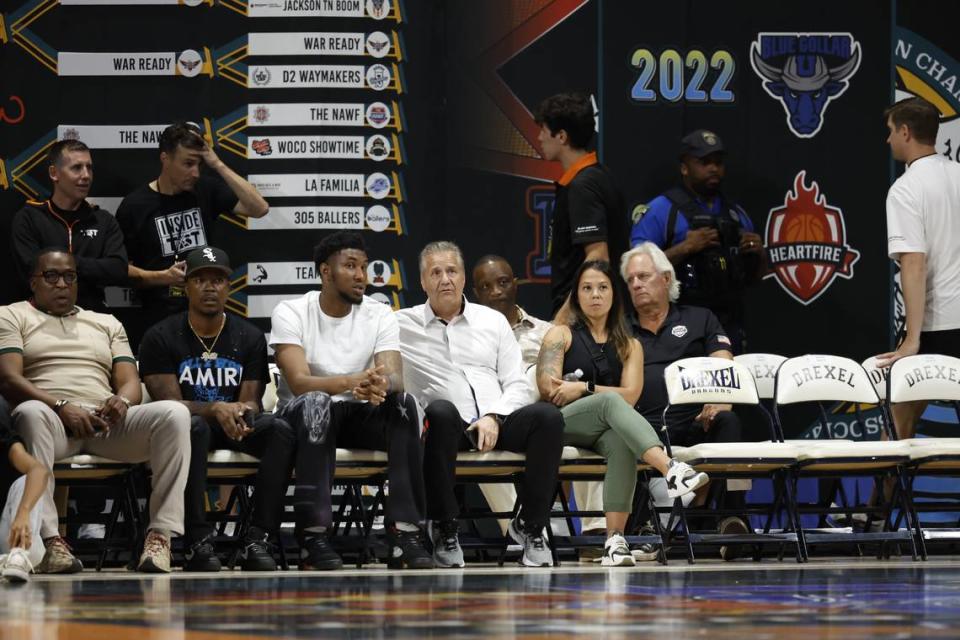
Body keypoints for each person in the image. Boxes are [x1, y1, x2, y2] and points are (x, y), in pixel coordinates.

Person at [0, 248, 191, 574]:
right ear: (34, 282)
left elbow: (130, 380)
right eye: (51, 276)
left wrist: (123, 402)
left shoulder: (106, 322)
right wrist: (60, 406)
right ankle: (50, 542)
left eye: (69, 276)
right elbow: (9, 377)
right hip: (52, 423)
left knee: (175, 414)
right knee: (30, 412)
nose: (61, 283)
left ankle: (160, 536)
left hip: (105, 424)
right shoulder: (12, 314)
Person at [398, 241, 565, 568]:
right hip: (449, 430)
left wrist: (494, 416)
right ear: (422, 282)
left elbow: (516, 381)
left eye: (452, 271)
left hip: (498, 423)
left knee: (547, 417)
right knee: (441, 411)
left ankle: (530, 526)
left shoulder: (492, 321)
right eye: (435, 272)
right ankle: (446, 527)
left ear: (462, 278)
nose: (445, 279)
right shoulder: (400, 324)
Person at [270, 231, 431, 571]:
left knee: (405, 404)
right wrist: (350, 381)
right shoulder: (292, 311)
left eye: (364, 266)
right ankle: (312, 538)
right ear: (325, 272)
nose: (361, 276)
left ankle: (405, 534)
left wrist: (379, 383)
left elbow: (393, 374)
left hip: (359, 412)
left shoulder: (379, 313)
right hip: (303, 418)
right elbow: (299, 383)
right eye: (350, 266)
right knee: (316, 403)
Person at [536, 259, 709, 566]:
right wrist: (587, 393)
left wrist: (583, 388)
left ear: (614, 294)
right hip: (560, 423)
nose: (595, 295)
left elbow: (631, 396)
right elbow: (549, 389)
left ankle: (614, 541)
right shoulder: (559, 335)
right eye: (586, 288)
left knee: (620, 442)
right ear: (576, 295)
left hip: (603, 429)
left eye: (602, 288)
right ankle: (670, 469)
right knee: (610, 403)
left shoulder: (630, 344)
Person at [139, 246, 296, 572]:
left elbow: (252, 400)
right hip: (190, 428)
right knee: (190, 425)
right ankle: (198, 541)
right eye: (200, 280)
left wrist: (239, 412)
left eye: (218, 280)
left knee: (280, 430)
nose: (210, 287)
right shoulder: (160, 336)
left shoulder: (250, 336)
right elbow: (170, 405)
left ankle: (258, 537)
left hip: (235, 425)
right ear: (186, 286)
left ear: (229, 286)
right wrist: (215, 409)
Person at [622, 242, 750, 558]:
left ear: (666, 279)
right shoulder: (620, 328)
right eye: (630, 280)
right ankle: (645, 527)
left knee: (729, 421)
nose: (636, 284)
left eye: (643, 276)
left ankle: (732, 519)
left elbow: (724, 366)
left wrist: (720, 401)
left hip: (695, 422)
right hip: (644, 431)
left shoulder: (700, 318)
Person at [116, 122, 269, 342]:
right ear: (165, 159)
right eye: (188, 164)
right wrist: (163, 277)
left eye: (199, 164)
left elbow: (259, 208)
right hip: (158, 319)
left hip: (208, 315)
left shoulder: (205, 189)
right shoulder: (134, 206)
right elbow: (121, 270)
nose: (195, 172)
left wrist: (216, 164)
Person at [629, 130, 765, 353]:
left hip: (728, 320)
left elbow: (754, 280)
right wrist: (686, 248)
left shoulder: (735, 214)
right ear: (684, 167)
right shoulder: (662, 210)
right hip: (677, 321)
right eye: (704, 162)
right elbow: (635, 269)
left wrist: (760, 255)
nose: (713, 168)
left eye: (718, 163)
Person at [875, 97, 960, 439]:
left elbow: (913, 263)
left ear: (906, 132)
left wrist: (912, 339)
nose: (888, 139)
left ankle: (883, 496)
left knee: (898, 423)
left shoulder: (906, 189)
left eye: (891, 131)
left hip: (938, 322)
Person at [535, 92, 629, 316]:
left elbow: (598, 257)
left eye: (543, 130)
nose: (539, 137)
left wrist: (563, 318)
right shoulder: (599, 176)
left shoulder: (583, 186)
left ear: (561, 137)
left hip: (584, 319)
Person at [10, 139, 128, 312]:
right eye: (76, 168)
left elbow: (117, 270)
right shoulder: (29, 218)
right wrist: (92, 268)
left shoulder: (103, 220)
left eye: (89, 167)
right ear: (54, 173)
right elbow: (31, 271)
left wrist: (59, 266)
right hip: (38, 317)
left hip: (91, 316)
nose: (86, 175)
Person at [0, 396, 50, 582]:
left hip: (10, 534)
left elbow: (39, 471)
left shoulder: (6, 442)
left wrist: (23, 513)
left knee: (25, 481)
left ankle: (18, 557)